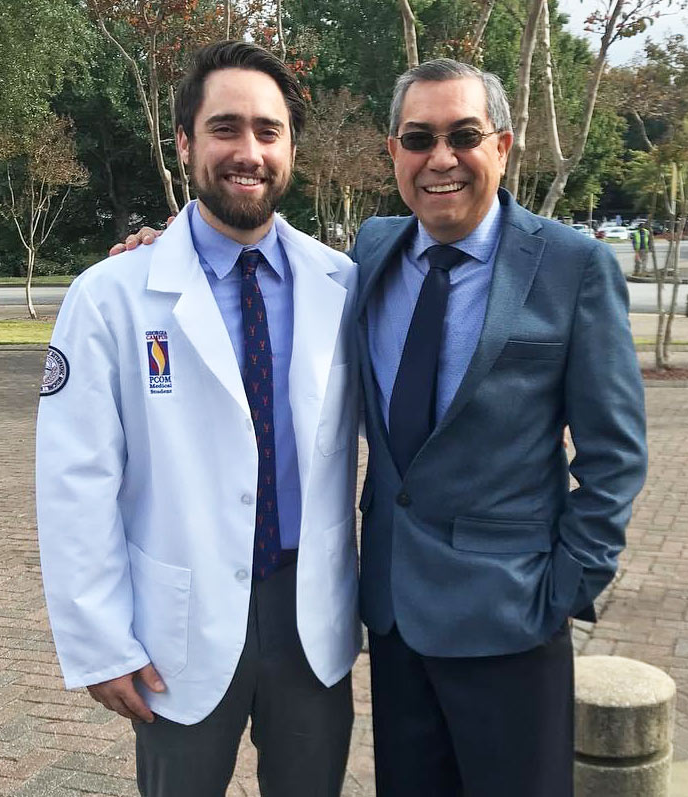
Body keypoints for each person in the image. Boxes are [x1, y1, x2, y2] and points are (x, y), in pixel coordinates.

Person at [118, 57, 647, 797]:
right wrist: (161, 245)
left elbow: (615, 453)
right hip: (392, 621)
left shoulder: (571, 265)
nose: (440, 158)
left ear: (502, 144)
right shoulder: (367, 256)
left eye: (463, 135)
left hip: (511, 616)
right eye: (418, 137)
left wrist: (566, 584)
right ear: (392, 153)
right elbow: (242, 243)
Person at [36, 41, 361, 797]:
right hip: (173, 629)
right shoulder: (111, 295)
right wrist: (99, 641)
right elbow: (74, 479)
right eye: (224, 128)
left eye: (267, 131)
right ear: (184, 143)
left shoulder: (341, 284)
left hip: (310, 615)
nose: (247, 151)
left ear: (289, 149)